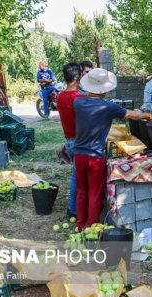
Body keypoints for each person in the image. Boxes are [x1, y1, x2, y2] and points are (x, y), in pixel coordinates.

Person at [73, 68, 150, 230]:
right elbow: (134, 116)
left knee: (82, 191)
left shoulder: (78, 103)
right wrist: (143, 114)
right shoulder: (108, 107)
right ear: (105, 89)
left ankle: (80, 225)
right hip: (96, 156)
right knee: (95, 193)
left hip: (79, 154)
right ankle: (91, 227)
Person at [56, 63, 84, 219]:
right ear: (78, 77)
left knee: (76, 175)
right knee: (76, 177)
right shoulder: (78, 99)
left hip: (69, 141)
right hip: (79, 142)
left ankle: (75, 207)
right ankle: (72, 209)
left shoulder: (60, 96)